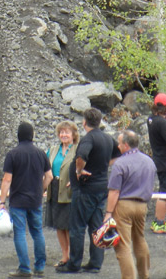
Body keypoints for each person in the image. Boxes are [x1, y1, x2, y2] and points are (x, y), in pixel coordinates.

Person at [56, 107, 119, 275]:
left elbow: (81, 156)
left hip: (85, 189)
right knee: (97, 226)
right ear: (99, 121)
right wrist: (104, 165)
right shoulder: (107, 138)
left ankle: (74, 264)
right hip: (101, 187)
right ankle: (95, 263)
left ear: (84, 122)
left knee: (77, 227)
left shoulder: (88, 139)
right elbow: (119, 153)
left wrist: (78, 171)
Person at [0, 121, 53, 278]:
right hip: (35, 200)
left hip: (18, 201)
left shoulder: (13, 154)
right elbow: (49, 176)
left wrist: (2, 202)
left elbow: (7, 179)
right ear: (32, 135)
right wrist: (41, 189)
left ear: (18, 136)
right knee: (37, 232)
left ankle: (24, 268)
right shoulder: (41, 153)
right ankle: (40, 266)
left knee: (20, 233)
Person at [103, 130, 155, 279]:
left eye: (119, 143)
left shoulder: (120, 163)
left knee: (123, 246)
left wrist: (108, 213)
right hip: (142, 205)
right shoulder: (149, 161)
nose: (118, 146)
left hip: (124, 206)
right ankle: (144, 275)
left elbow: (114, 191)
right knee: (140, 238)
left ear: (125, 145)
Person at [45, 120, 79, 268]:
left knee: (70, 225)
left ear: (73, 134)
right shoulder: (53, 149)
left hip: (69, 190)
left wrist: (75, 178)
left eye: (67, 132)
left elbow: (84, 167)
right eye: (61, 132)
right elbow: (45, 167)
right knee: (59, 225)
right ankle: (64, 255)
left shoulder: (78, 150)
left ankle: (73, 256)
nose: (63, 135)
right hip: (54, 189)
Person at [147, 92, 166, 233]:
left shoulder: (151, 119)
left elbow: (165, 120)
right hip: (165, 161)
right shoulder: (162, 123)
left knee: (164, 190)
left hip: (158, 158)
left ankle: (159, 220)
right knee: (164, 192)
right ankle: (159, 222)